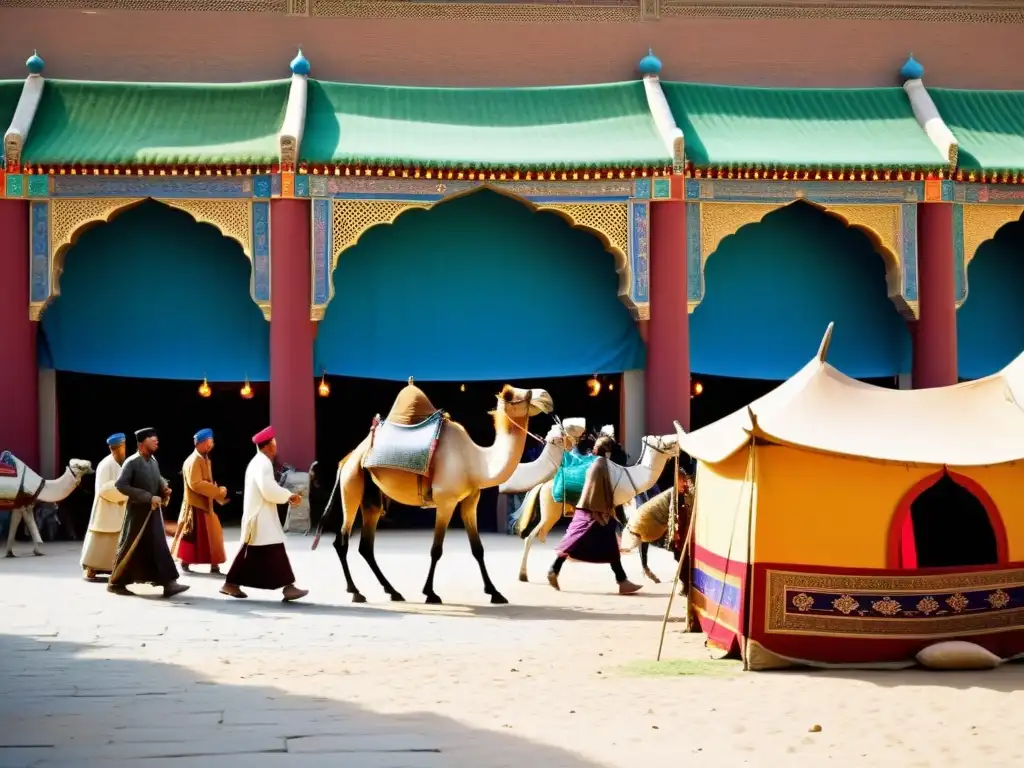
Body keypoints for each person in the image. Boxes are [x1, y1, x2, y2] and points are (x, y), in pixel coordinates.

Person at [221, 426, 307, 601]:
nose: (276, 446)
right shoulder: (263, 463)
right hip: (261, 517)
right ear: (267, 445)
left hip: (260, 515)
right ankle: (288, 587)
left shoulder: (257, 462)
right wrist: (289, 495)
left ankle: (232, 583)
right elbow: (267, 489)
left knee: (257, 552)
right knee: (273, 550)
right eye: (274, 442)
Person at [547, 436, 641, 595]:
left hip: (593, 509)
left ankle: (622, 580)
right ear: (609, 452)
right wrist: (602, 512)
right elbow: (597, 490)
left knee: (608, 545)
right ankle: (554, 569)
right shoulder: (601, 465)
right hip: (594, 512)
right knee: (575, 540)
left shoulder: (598, 463)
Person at [107, 428, 189, 598]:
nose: (156, 441)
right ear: (141, 443)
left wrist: (163, 487)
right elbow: (121, 485)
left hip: (152, 513)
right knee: (130, 546)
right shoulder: (132, 462)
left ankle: (169, 583)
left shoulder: (152, 460)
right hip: (137, 514)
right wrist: (147, 496)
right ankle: (115, 583)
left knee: (158, 546)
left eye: (156, 439)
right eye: (152, 439)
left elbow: (157, 477)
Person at [171, 428, 228, 574]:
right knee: (194, 535)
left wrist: (216, 493)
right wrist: (217, 491)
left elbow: (205, 481)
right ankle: (186, 561)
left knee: (210, 535)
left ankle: (213, 565)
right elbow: (195, 483)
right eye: (210, 442)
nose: (212, 445)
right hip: (195, 506)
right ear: (202, 443)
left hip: (204, 504)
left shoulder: (204, 458)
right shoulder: (194, 460)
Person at [80, 433, 129, 580]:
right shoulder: (107, 464)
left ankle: (111, 567)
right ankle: (91, 567)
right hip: (106, 508)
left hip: (115, 508)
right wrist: (124, 496)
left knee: (114, 540)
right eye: (123, 447)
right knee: (101, 540)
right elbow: (105, 489)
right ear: (118, 448)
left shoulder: (115, 463)